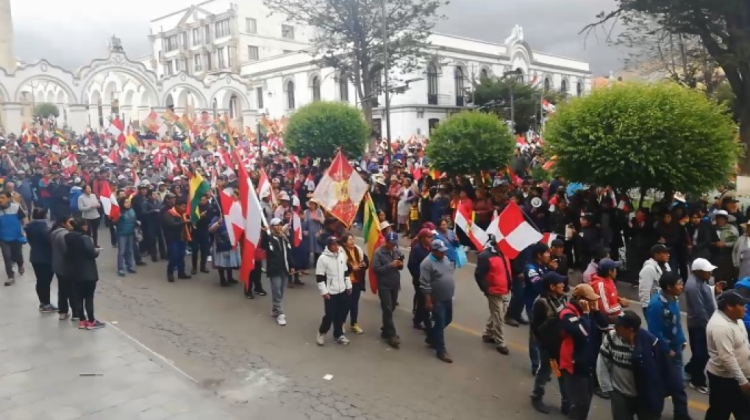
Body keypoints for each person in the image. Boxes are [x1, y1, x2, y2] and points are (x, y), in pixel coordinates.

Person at [596, 310, 682, 420]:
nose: (615, 327)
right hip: (620, 395)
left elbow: (665, 371)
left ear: (630, 330)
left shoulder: (651, 342)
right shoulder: (611, 337)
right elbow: (602, 362)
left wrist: (659, 395)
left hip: (645, 398)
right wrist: (608, 389)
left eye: (618, 325)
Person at [645, 272, 691, 420]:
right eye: (678, 284)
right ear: (669, 287)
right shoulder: (657, 305)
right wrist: (667, 350)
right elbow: (655, 331)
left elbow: (676, 322)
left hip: (676, 347)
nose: (681, 286)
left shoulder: (674, 299)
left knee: (671, 384)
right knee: (677, 385)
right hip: (666, 351)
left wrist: (682, 339)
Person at [559, 283, 609, 420]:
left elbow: (604, 326)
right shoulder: (567, 314)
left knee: (586, 402)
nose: (593, 302)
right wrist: (586, 314)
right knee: (580, 403)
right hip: (574, 365)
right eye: (590, 299)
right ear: (580, 299)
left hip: (589, 364)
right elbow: (583, 332)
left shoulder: (589, 313)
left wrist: (597, 311)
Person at [704, 290, 750, 420]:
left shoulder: (736, 319)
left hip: (738, 377)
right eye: (742, 305)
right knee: (719, 413)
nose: (745, 308)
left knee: (744, 411)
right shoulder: (720, 326)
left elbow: (743, 343)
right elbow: (727, 358)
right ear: (730, 306)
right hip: (725, 380)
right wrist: (743, 381)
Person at [529, 271, 570, 415]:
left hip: (559, 343)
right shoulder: (542, 303)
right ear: (552, 286)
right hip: (547, 345)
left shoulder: (561, 298)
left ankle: (567, 402)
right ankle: (537, 396)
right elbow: (536, 327)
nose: (563, 285)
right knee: (545, 370)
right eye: (560, 283)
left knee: (560, 372)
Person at [683, 258, 722, 393]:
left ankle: (688, 370)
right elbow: (700, 310)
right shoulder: (692, 286)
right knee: (702, 354)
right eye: (708, 271)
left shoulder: (701, 281)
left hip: (704, 323)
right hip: (699, 325)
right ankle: (697, 381)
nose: (710, 273)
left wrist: (714, 290)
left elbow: (705, 294)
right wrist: (710, 326)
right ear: (698, 271)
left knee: (701, 352)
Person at [475, 234, 513, 355]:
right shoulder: (485, 256)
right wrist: (486, 290)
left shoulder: (504, 253)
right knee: (498, 317)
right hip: (494, 292)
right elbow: (479, 275)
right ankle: (500, 342)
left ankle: (487, 333)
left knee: (498, 314)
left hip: (505, 290)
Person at [421, 238, 456, 363]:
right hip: (437, 300)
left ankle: (431, 336)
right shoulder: (426, 264)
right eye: (441, 251)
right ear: (434, 251)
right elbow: (424, 284)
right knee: (440, 322)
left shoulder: (445, 259)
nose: (444, 253)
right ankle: (441, 350)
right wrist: (428, 301)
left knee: (448, 319)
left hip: (447, 297)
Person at [66, 218, 105, 330]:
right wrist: (97, 251)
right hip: (87, 271)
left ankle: (82, 320)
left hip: (74, 271)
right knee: (88, 297)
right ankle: (91, 321)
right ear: (83, 226)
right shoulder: (85, 238)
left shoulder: (68, 237)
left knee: (78, 297)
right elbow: (91, 253)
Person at [315, 236, 352, 346]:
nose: (336, 246)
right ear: (329, 245)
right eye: (334, 244)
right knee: (330, 315)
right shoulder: (323, 258)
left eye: (337, 244)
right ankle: (322, 332)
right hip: (331, 292)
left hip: (342, 290)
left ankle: (338, 334)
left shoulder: (341, 254)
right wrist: (324, 291)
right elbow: (320, 277)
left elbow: (345, 272)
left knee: (341, 315)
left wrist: (348, 285)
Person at [372, 231, 404, 349]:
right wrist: (390, 265)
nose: (393, 245)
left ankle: (386, 329)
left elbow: (400, 266)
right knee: (387, 309)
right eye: (391, 243)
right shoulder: (379, 253)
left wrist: (400, 264)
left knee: (392, 307)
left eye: (395, 243)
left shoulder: (396, 251)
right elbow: (376, 269)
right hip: (384, 285)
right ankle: (391, 334)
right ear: (386, 242)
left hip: (395, 283)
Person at [524, 243, 552, 375]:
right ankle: (536, 365)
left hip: (546, 305)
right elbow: (539, 286)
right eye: (546, 253)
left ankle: (545, 363)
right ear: (539, 255)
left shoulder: (544, 266)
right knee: (535, 336)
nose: (549, 255)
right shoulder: (531, 268)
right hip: (534, 307)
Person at [24, 207, 56, 312]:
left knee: (40, 281)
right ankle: (46, 303)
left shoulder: (29, 227)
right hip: (46, 258)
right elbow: (50, 243)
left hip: (35, 256)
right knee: (45, 282)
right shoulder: (45, 229)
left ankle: (43, 302)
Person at [265, 217, 295, 326]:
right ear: (272, 227)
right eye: (276, 225)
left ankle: (275, 309)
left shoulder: (284, 238)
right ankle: (279, 312)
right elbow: (265, 246)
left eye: (280, 225)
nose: (278, 227)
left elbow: (289, 253)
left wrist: (292, 265)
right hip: (274, 269)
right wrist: (265, 233)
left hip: (285, 268)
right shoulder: (270, 238)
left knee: (281, 290)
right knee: (276, 290)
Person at [50, 217, 78, 321]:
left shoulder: (54, 233)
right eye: (69, 222)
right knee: (71, 290)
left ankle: (63, 311)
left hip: (58, 266)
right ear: (63, 223)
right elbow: (67, 251)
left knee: (62, 289)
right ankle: (75, 312)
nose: (72, 224)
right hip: (66, 266)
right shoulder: (65, 235)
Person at [341, 233, 367, 334]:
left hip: (357, 280)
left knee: (354, 303)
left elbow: (366, 260)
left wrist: (364, 264)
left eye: (353, 239)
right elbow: (341, 266)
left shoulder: (358, 249)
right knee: (345, 304)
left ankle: (354, 323)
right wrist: (352, 268)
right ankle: (341, 322)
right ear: (344, 242)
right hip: (346, 281)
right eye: (349, 240)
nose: (352, 241)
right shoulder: (341, 252)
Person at [0, 190, 27, 286]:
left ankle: (20, 265)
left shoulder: (16, 207)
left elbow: (24, 218)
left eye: (3, 197)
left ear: (8, 198)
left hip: (17, 237)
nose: (0, 199)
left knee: (18, 255)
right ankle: (10, 276)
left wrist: (25, 231)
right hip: (3, 238)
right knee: (7, 257)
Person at [408, 228, 433, 331]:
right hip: (420, 281)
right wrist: (420, 276)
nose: (431, 239)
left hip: (430, 280)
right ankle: (424, 324)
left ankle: (419, 320)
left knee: (423, 301)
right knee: (423, 301)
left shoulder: (430, 248)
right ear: (422, 238)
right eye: (428, 237)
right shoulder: (417, 249)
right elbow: (411, 265)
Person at [163, 200, 192, 282]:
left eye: (185, 206)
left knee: (181, 256)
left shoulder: (184, 213)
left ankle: (181, 273)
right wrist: (183, 222)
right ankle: (170, 273)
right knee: (174, 256)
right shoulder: (169, 213)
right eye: (182, 206)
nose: (184, 208)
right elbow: (171, 224)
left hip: (182, 237)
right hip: (173, 238)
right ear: (177, 206)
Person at [208, 214, 239, 287]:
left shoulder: (232, 216)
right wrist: (218, 223)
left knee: (230, 261)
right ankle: (222, 279)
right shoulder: (216, 218)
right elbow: (210, 230)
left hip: (231, 243)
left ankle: (230, 277)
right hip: (220, 244)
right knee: (221, 262)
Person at [638, 244, 671, 310]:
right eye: (664, 253)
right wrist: (647, 308)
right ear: (656, 255)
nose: (668, 255)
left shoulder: (666, 265)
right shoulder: (649, 268)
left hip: (666, 303)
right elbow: (644, 290)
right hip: (654, 306)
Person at [115, 197, 138, 277]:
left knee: (129, 251)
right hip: (122, 234)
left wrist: (137, 222)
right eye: (126, 202)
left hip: (130, 233)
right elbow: (113, 221)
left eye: (129, 202)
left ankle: (130, 266)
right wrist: (117, 217)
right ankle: (120, 268)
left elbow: (134, 219)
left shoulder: (132, 210)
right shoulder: (119, 212)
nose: (128, 204)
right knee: (122, 251)